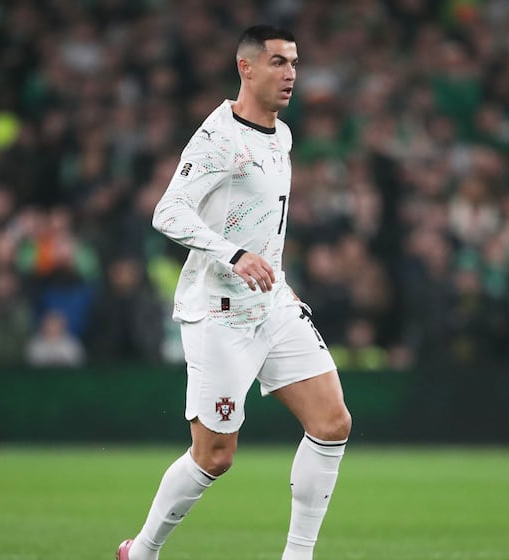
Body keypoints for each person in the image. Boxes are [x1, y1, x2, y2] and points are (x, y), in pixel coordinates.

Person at [116, 25, 351, 560]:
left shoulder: (282, 134)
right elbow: (167, 212)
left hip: (271, 306)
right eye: (277, 62)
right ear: (245, 68)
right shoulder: (218, 138)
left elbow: (265, 224)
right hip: (218, 314)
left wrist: (275, 276)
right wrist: (234, 254)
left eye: (294, 62)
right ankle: (142, 551)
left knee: (333, 422)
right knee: (215, 457)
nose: (290, 73)